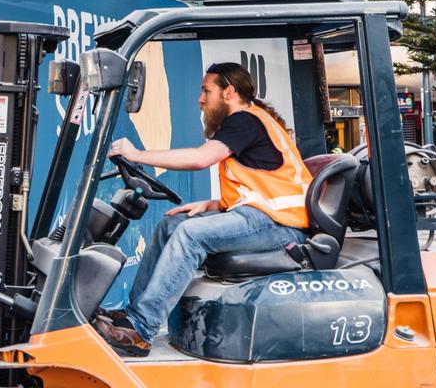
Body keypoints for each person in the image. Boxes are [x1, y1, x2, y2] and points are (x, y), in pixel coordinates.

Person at [94, 62, 312, 357]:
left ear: (229, 92)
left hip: (282, 226)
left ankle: (141, 329)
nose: (200, 99)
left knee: (190, 234)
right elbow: (263, 183)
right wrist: (215, 204)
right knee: (171, 225)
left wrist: (136, 154)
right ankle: (134, 314)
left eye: (206, 91)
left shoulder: (245, 120)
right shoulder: (249, 122)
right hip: (264, 217)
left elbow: (200, 159)